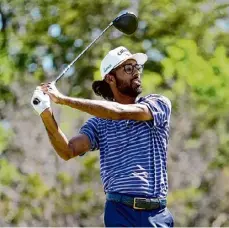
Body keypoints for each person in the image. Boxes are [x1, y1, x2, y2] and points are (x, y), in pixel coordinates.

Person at [31, 46, 174, 227]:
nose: (136, 73)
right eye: (128, 69)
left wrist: (64, 99)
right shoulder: (99, 123)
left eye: (137, 68)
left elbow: (120, 112)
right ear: (110, 78)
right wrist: (45, 113)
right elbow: (68, 151)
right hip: (119, 213)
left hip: (156, 214)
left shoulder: (157, 104)